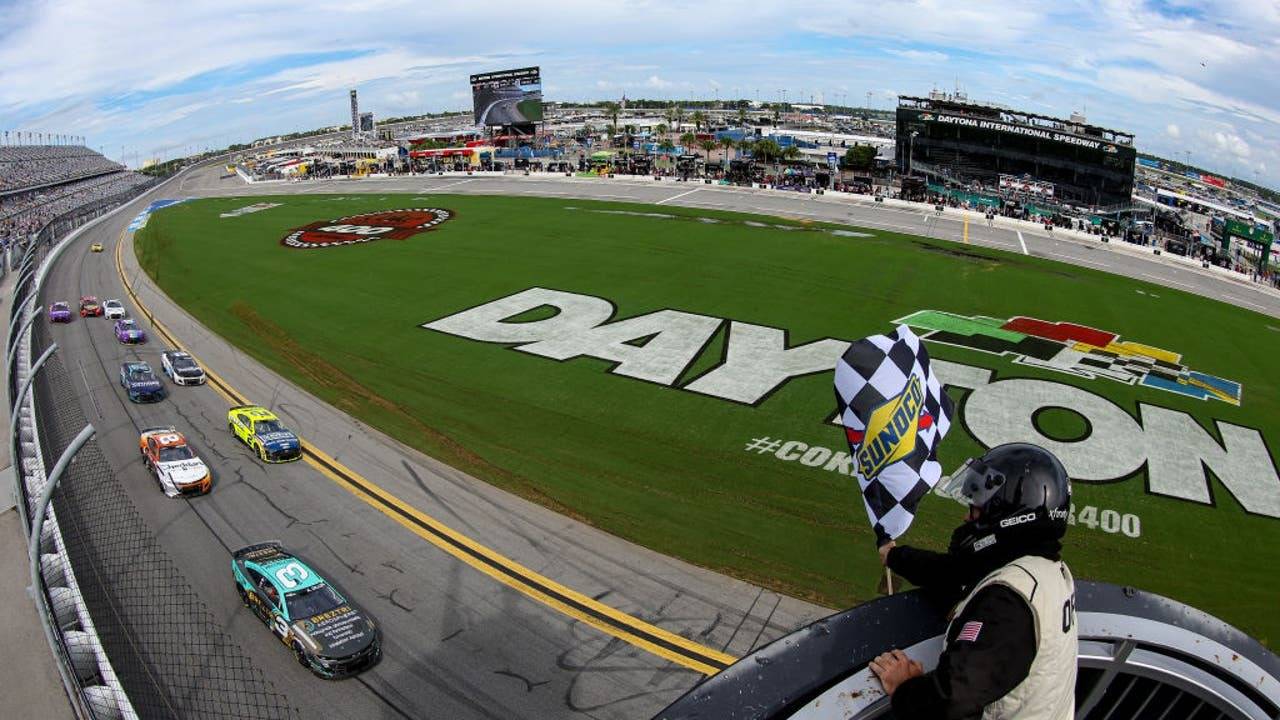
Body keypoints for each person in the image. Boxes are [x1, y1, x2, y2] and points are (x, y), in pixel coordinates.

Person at [869, 443, 1077, 720]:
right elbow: (956, 571)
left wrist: (905, 686)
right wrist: (896, 556)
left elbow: (952, 699)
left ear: (1010, 518)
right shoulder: (1046, 571)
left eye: (976, 510)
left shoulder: (1008, 602)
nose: (967, 518)